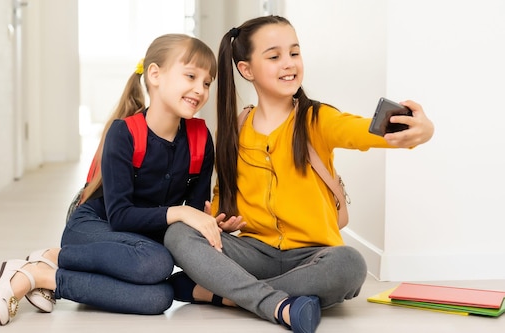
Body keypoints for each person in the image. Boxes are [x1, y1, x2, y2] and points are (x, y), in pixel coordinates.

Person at [163, 15, 434, 333]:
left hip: (313, 256)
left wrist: (421, 131)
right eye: (274, 56)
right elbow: (225, 201)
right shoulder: (235, 130)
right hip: (254, 251)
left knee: (350, 264)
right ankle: (279, 303)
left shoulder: (317, 118)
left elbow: (362, 130)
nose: (289, 64)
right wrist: (222, 220)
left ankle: (229, 295)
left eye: (294, 53)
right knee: (179, 233)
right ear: (246, 69)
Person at [0, 33, 221, 326]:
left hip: (139, 247)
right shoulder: (123, 133)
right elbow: (121, 216)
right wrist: (180, 212)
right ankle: (41, 268)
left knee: (159, 298)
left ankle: (50, 277)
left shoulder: (201, 138)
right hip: (95, 228)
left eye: (207, 82)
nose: (199, 89)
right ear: (155, 75)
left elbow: (196, 212)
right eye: (190, 76)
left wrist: (209, 221)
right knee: (158, 263)